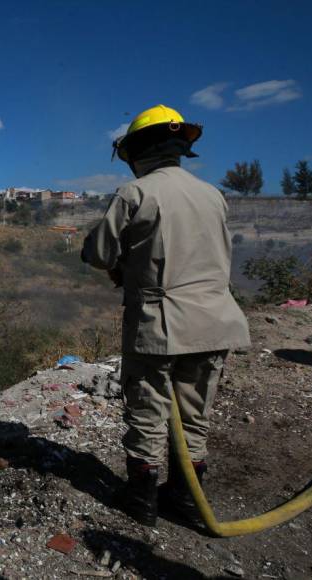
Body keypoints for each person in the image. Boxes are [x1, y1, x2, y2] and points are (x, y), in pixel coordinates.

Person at [80, 105, 251, 527]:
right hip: (215, 321)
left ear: (136, 151)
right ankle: (187, 500)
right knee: (195, 414)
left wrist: (119, 262)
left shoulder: (135, 193)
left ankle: (141, 502)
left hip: (159, 324)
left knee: (147, 410)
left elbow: (100, 253)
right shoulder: (214, 194)